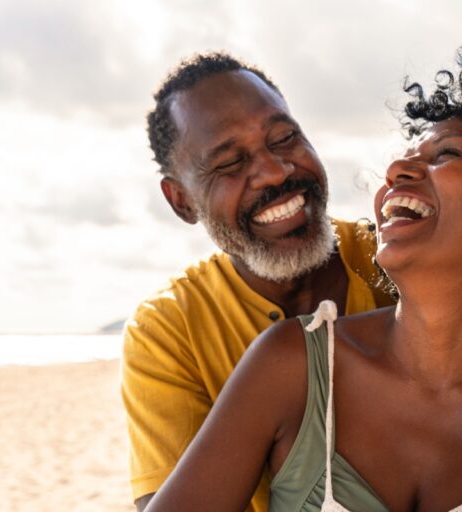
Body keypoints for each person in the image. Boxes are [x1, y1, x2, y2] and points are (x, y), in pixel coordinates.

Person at [144, 43, 462, 511]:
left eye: (446, 154)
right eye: (230, 162)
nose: (396, 170)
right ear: (180, 199)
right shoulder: (287, 362)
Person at [121, 53, 394, 512]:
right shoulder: (169, 330)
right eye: (230, 163)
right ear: (182, 201)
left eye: (285, 138)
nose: (276, 171)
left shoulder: (394, 260)